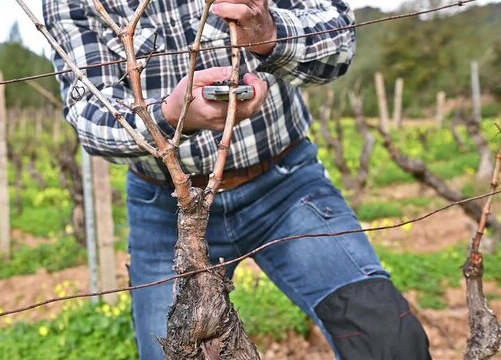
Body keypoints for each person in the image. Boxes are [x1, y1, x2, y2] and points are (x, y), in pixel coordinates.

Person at [44, 0, 431, 358]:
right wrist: (171, 114)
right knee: (176, 350)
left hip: (286, 186)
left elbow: (340, 41)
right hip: (168, 212)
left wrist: (271, 33)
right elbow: (91, 120)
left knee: (388, 337)